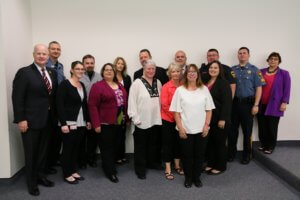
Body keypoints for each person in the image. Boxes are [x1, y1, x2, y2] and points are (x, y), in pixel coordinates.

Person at [12, 44, 57, 196]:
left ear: (48, 56)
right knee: (31, 153)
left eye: (44, 54)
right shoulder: (24, 73)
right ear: (33, 55)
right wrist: (21, 119)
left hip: (48, 121)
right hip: (30, 121)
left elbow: (51, 97)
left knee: (43, 152)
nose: (42, 56)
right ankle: (31, 184)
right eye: (39, 53)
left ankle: (41, 177)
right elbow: (17, 98)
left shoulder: (51, 72)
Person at [170, 64, 215, 188]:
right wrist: (180, 128)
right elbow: (176, 112)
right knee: (187, 155)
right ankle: (188, 178)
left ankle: (197, 177)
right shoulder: (180, 90)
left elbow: (209, 110)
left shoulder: (204, 89)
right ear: (186, 74)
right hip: (185, 130)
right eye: (189, 72)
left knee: (199, 155)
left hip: (202, 129)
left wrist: (207, 125)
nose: (191, 73)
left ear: (197, 74)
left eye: (194, 71)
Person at [88, 63, 128, 183]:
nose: (109, 72)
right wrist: (96, 124)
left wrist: (126, 119)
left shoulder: (119, 85)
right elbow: (92, 106)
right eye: (106, 70)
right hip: (105, 123)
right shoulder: (97, 86)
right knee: (107, 148)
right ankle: (110, 171)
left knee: (116, 146)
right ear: (103, 72)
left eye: (111, 70)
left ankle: (109, 165)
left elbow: (123, 103)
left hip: (119, 121)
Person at [56, 61, 92, 184]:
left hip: (81, 122)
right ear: (72, 70)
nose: (80, 71)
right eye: (78, 69)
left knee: (76, 148)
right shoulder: (64, 84)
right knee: (68, 149)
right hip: (69, 122)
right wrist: (63, 123)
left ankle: (73, 170)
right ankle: (66, 173)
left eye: (82, 69)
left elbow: (84, 104)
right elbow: (59, 105)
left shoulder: (81, 84)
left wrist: (87, 120)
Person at [228, 47, 265, 164]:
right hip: (234, 105)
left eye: (244, 53)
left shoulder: (255, 70)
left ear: (249, 55)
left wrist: (256, 105)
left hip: (248, 105)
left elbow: (259, 89)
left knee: (247, 131)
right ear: (237, 56)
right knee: (232, 131)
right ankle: (231, 154)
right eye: (240, 53)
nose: (242, 55)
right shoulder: (232, 70)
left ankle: (247, 154)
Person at [128, 59, 162, 179]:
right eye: (148, 68)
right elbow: (131, 102)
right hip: (141, 121)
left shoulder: (158, 82)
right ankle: (140, 169)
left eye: (153, 68)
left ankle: (151, 163)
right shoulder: (137, 83)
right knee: (140, 147)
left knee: (152, 145)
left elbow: (160, 101)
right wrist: (135, 118)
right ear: (144, 69)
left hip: (155, 120)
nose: (151, 71)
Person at [257, 52, 291, 154]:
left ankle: (270, 146)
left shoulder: (284, 73)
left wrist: (284, 102)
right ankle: (263, 144)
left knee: (272, 126)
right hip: (261, 104)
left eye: (275, 59)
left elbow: (287, 89)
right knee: (262, 126)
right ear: (268, 60)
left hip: (275, 105)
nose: (273, 61)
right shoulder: (260, 72)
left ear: (279, 61)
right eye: (271, 59)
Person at [204, 61, 232, 175]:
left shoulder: (223, 83)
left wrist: (223, 119)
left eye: (216, 68)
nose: (213, 69)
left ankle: (221, 166)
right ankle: (211, 163)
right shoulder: (206, 82)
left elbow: (227, 102)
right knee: (210, 142)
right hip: (209, 118)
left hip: (220, 118)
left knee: (219, 143)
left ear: (219, 70)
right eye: (211, 67)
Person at [45, 41, 66, 174]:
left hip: (59, 104)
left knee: (57, 135)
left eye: (58, 49)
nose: (56, 51)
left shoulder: (60, 66)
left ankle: (53, 160)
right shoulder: (44, 65)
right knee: (48, 136)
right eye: (53, 49)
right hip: (47, 106)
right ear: (48, 50)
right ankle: (46, 164)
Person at [160, 63, 183, 180]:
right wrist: (176, 117)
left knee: (179, 142)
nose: (176, 74)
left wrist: (180, 118)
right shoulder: (165, 87)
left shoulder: (184, 85)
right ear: (170, 73)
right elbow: (164, 105)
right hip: (168, 119)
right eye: (173, 71)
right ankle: (168, 168)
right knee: (168, 144)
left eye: (178, 71)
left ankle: (177, 165)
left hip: (181, 120)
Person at [79, 54, 102, 168]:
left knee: (93, 137)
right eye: (87, 63)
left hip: (95, 111)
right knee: (81, 137)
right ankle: (82, 160)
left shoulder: (99, 77)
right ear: (83, 64)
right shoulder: (79, 76)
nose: (89, 65)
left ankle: (91, 158)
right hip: (81, 110)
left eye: (91, 63)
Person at [113, 57, 132, 164]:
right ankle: (116, 156)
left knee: (122, 132)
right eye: (118, 63)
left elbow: (129, 94)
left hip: (123, 109)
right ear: (115, 65)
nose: (120, 65)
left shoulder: (127, 78)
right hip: (114, 109)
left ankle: (121, 154)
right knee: (115, 133)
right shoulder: (111, 77)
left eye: (122, 64)